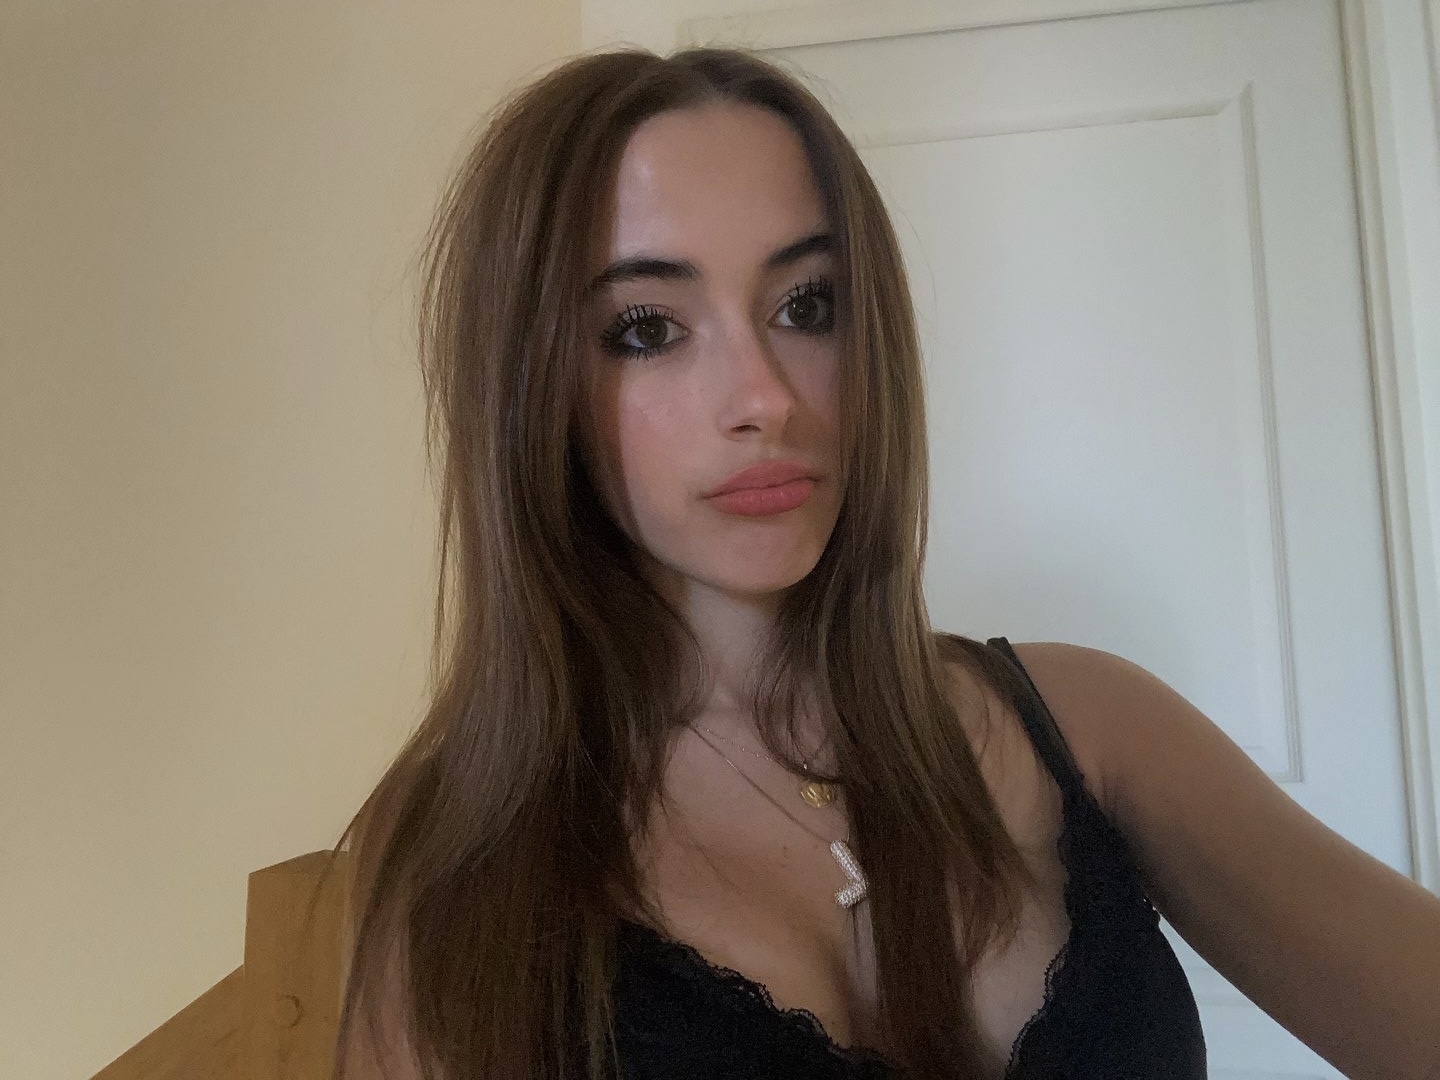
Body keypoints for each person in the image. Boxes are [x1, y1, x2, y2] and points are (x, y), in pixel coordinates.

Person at [330, 47, 1440, 1080]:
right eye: (647, 329)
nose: (766, 397)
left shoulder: (1095, 728)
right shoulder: (459, 851)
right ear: (534, 388)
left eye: (806, 306)